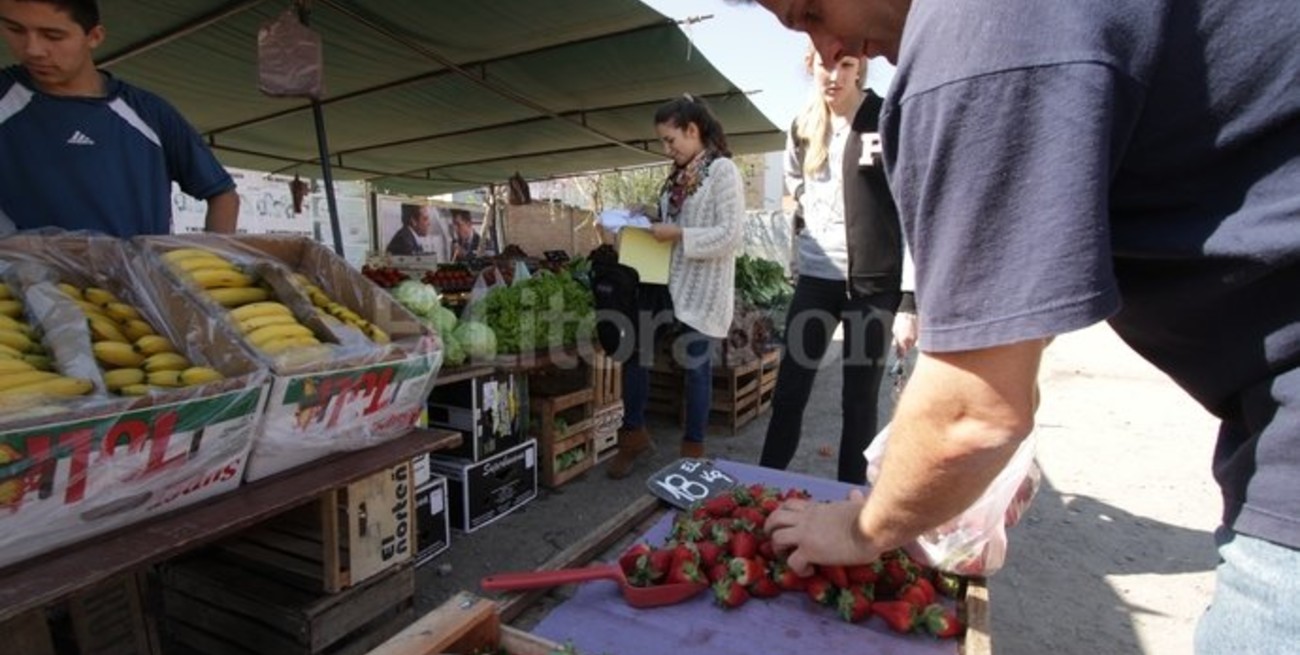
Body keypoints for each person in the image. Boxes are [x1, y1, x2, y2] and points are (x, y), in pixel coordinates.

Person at [745, 1, 1300, 652]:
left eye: (812, 8)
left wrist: (863, 527)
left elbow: (973, 414)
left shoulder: (976, 39)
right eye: (799, 29)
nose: (829, 45)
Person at [758, 48, 916, 485]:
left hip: (873, 287)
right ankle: (765, 485)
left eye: (846, 65)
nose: (835, 74)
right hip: (816, 280)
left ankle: (850, 500)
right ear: (811, 65)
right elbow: (797, 192)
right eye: (827, 63)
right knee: (789, 391)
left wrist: (909, 301)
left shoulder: (888, 118)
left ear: (859, 69)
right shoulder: (802, 127)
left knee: (860, 401)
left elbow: (912, 209)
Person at [0, 0, 238, 236]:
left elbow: (222, 195)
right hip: (22, 274)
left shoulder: (149, 112)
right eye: (15, 30)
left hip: (135, 273)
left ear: (94, 36)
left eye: (53, 36)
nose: (32, 49)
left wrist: (216, 262)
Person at [605, 94, 745, 479]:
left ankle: (693, 452)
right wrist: (649, 215)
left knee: (696, 368)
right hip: (664, 280)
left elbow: (730, 235)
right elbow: (674, 218)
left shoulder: (722, 172)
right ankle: (633, 435)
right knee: (636, 352)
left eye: (671, 140)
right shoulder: (677, 176)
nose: (667, 148)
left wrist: (678, 233)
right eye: (664, 142)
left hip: (702, 287)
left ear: (693, 130)